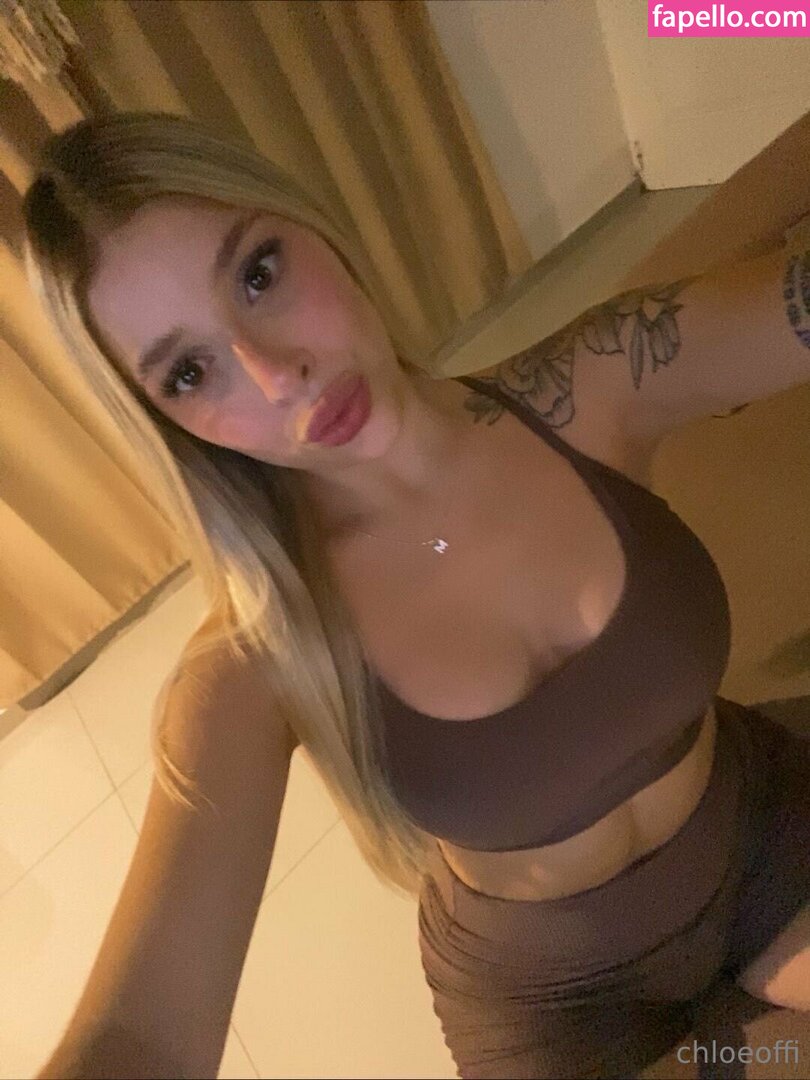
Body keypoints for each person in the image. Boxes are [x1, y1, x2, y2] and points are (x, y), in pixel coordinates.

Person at [23, 112, 809, 1079]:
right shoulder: (256, 662)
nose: (277, 375)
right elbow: (142, 1038)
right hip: (564, 1008)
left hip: (760, 838)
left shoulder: (595, 384)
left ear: (310, 224)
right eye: (189, 372)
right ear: (170, 426)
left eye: (258, 274)